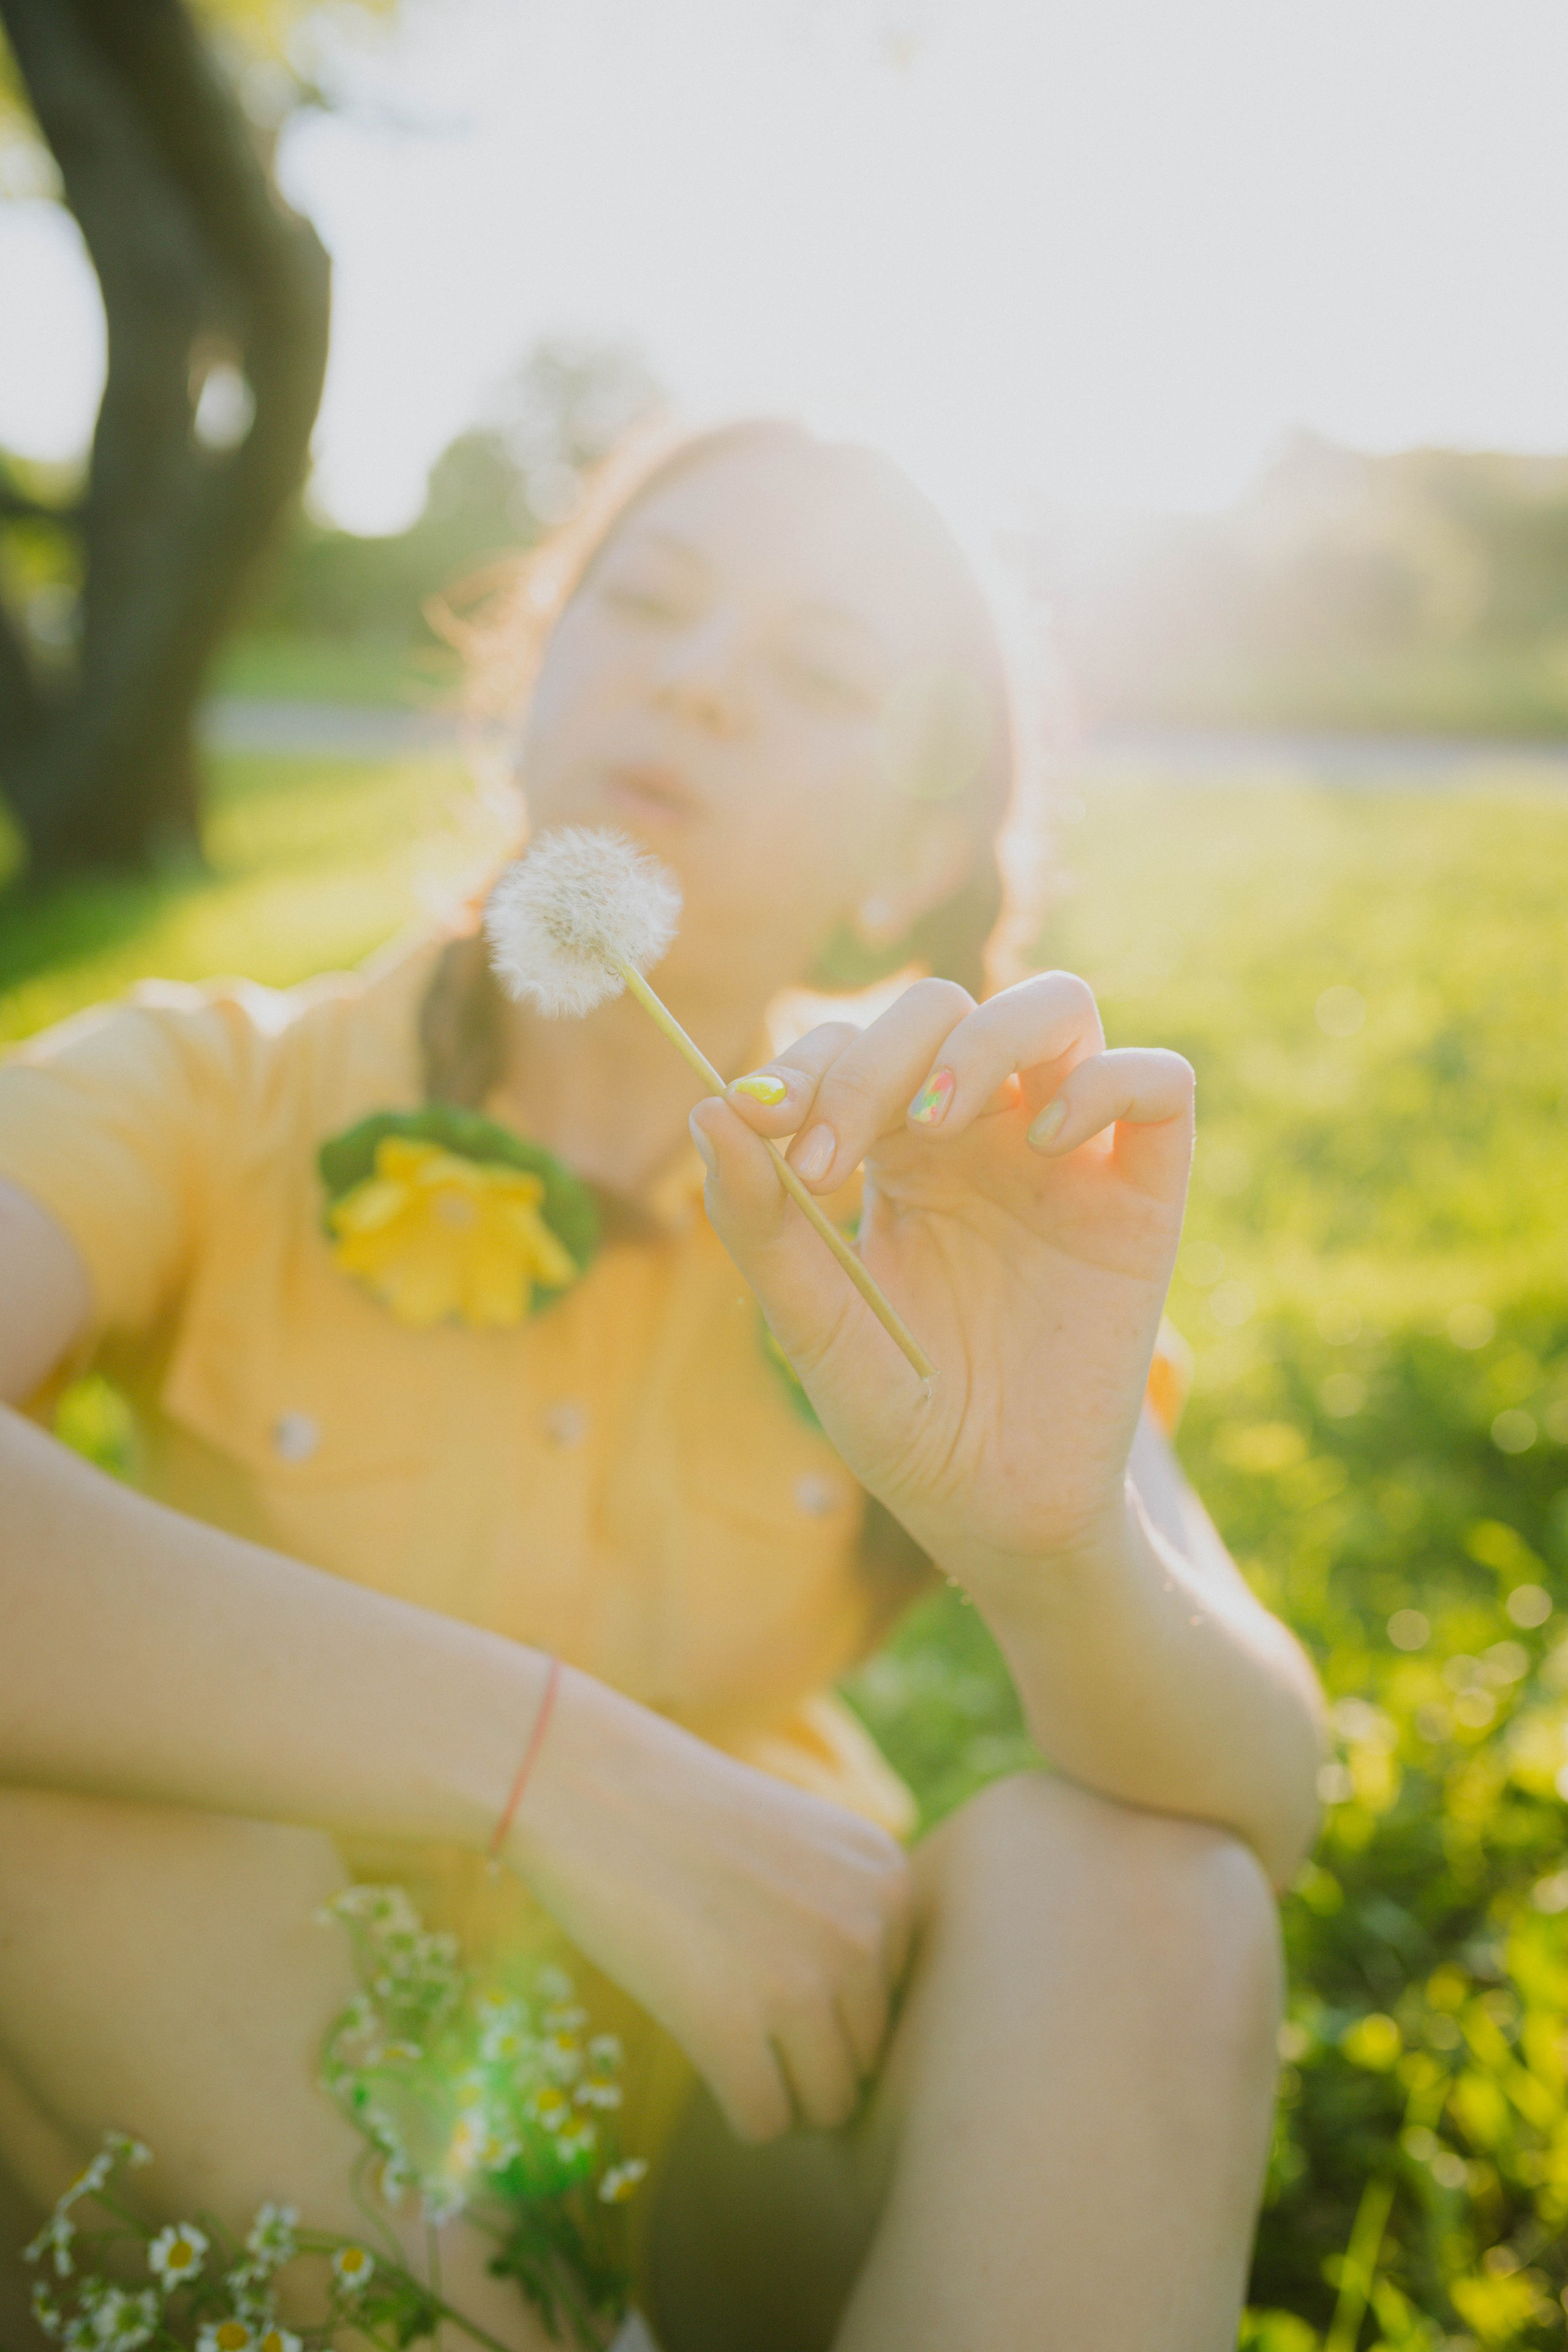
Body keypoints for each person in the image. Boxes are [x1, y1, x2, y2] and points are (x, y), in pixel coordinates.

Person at [0, 420, 1324, 2352]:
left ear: (922, 849)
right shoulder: (210, 1092)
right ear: (532, 674)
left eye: (818, 673)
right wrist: (556, 1766)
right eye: (653, 602)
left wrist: (1057, 1545)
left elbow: (1258, 1802)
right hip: (217, 2051)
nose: (699, 678)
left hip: (741, 2086)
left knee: (1150, 1898)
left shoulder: (933, 1201)